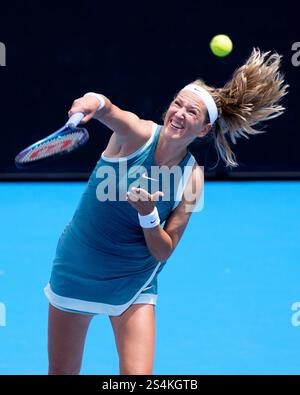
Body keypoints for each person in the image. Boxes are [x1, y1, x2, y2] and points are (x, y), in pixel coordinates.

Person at [44, 48, 288, 375]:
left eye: (192, 111)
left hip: (134, 281)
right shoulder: (136, 135)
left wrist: (148, 214)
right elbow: (110, 110)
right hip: (79, 266)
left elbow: (163, 251)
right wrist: (92, 102)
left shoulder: (192, 178)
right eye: (177, 103)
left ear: (203, 129)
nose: (179, 112)